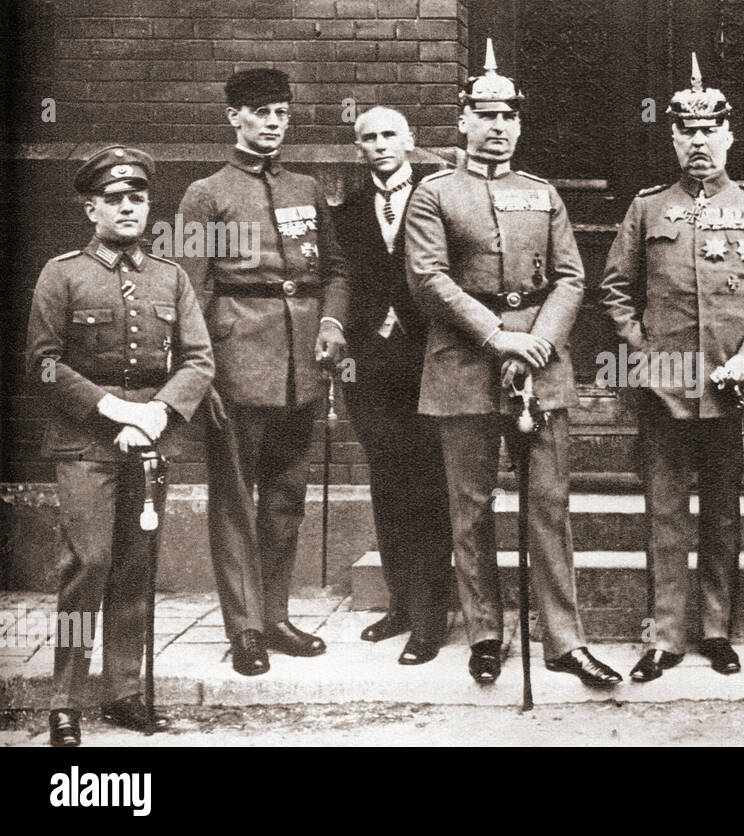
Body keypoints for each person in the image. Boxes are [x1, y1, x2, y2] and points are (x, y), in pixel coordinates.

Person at [404, 40, 621, 687]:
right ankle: (486, 635)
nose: (497, 127)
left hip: (542, 368)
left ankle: (563, 638)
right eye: (485, 114)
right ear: (463, 120)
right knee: (469, 509)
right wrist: (499, 336)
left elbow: (572, 279)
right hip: (464, 365)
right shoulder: (434, 193)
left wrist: (539, 343)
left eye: (508, 116)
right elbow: (428, 279)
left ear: (520, 124)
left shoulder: (543, 193)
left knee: (548, 505)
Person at [599, 54, 744, 681]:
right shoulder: (647, 207)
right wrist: (643, 354)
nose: (699, 141)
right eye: (687, 131)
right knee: (664, 512)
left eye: (711, 130)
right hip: (664, 390)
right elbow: (613, 289)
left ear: (730, 135)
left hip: (730, 388)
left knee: (720, 511)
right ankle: (664, 636)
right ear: (673, 137)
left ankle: (716, 628)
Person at [28, 146, 214, 745]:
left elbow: (198, 359)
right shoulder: (63, 274)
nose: (128, 208)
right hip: (85, 444)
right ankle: (66, 701)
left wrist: (156, 413)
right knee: (90, 565)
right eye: (115, 200)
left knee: (135, 569)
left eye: (137, 199)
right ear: (91, 209)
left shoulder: (171, 276)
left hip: (149, 442)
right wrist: (115, 411)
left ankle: (125, 692)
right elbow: (44, 366)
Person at [175, 68, 350, 676]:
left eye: (281, 111)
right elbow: (188, 291)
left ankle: (274, 615)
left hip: (303, 364)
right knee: (234, 502)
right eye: (260, 111)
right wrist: (203, 377)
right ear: (234, 118)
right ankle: (244, 627)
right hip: (235, 363)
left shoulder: (305, 187)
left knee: (286, 497)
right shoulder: (206, 194)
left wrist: (332, 325)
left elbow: (335, 272)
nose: (273, 122)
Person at [332, 106, 455, 665]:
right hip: (370, 365)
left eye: (389, 135)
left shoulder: (440, 195)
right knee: (387, 479)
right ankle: (402, 604)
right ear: (359, 147)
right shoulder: (348, 209)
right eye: (368, 137)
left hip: (431, 357)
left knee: (429, 483)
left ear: (410, 140)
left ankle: (432, 618)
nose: (380, 144)